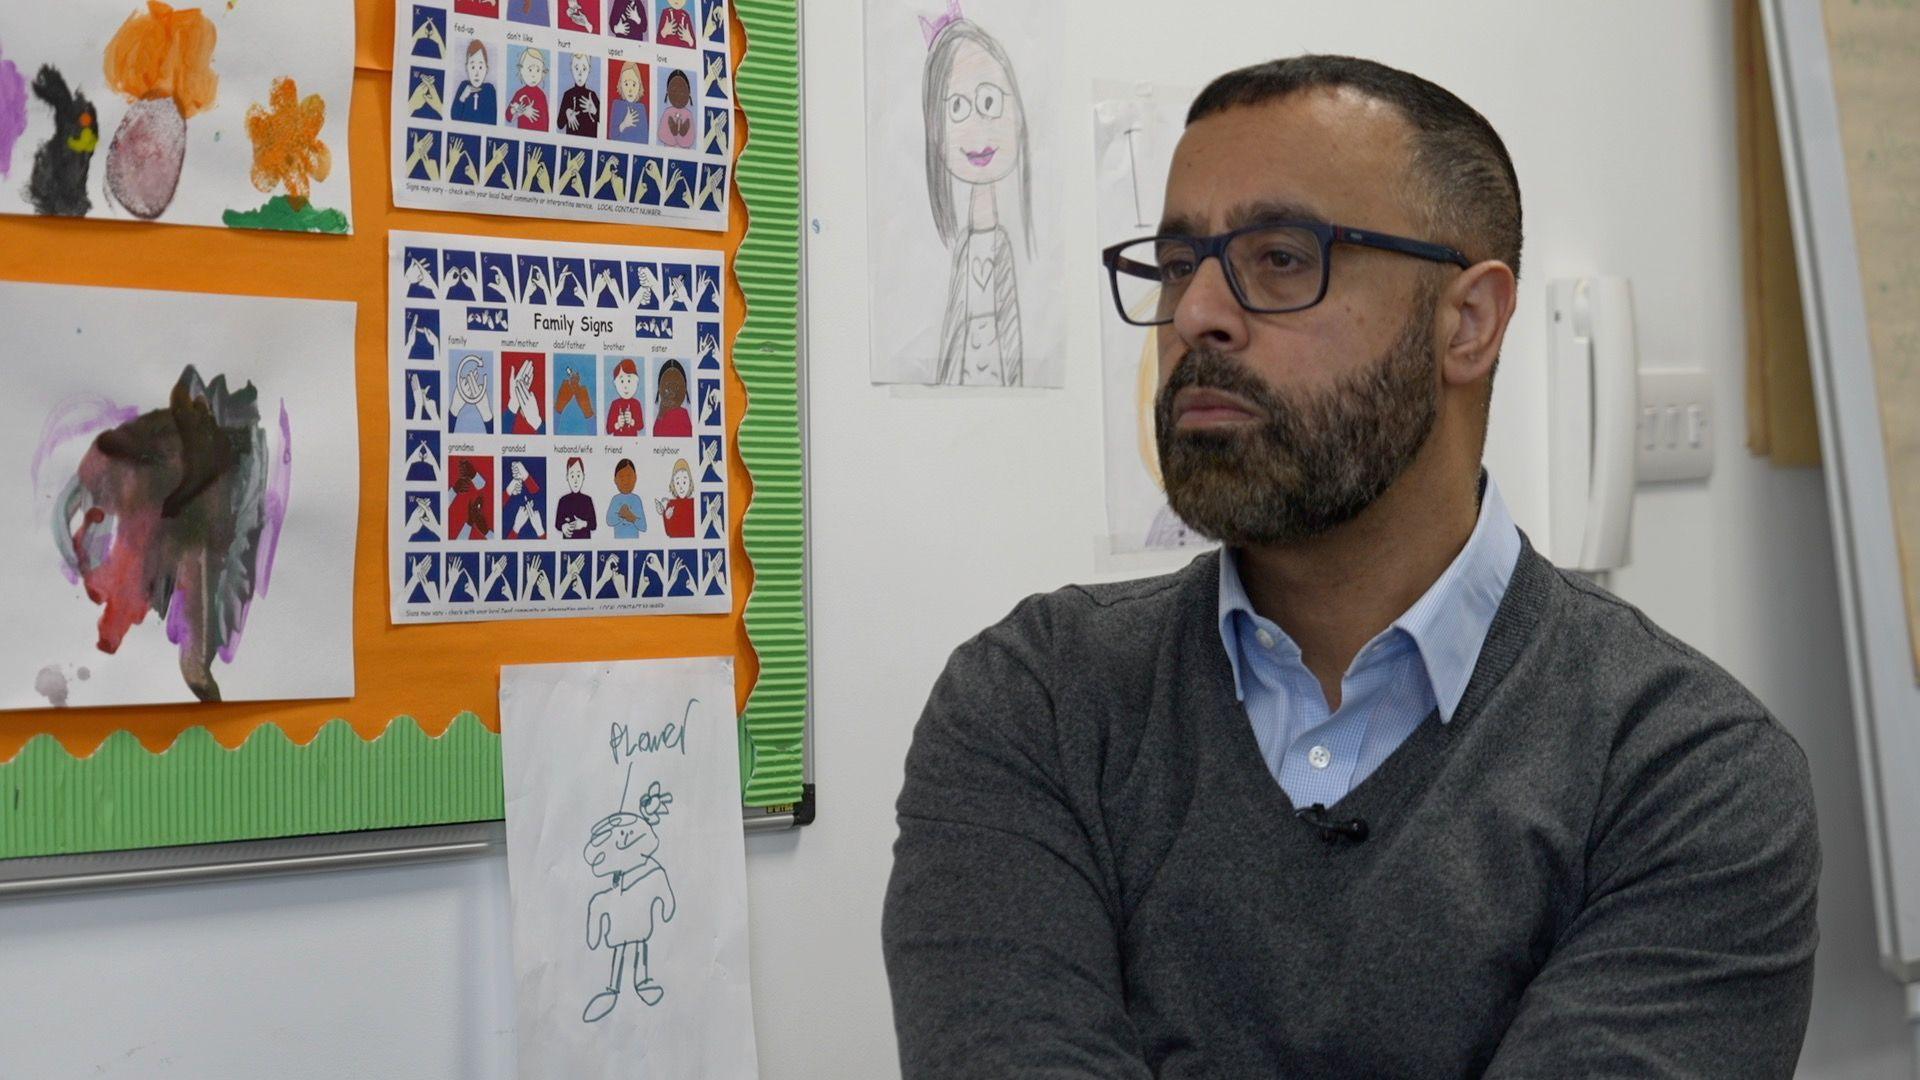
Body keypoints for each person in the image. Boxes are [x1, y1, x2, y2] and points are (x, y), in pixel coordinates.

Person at [883, 55, 1819, 1079]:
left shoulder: (1686, 771)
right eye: (1178, 261)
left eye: (1281, 257)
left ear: (1468, 323)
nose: (1196, 313)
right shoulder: (1037, 705)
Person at [921, 9, 1030, 387]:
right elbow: (954, 326)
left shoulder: (1002, 245)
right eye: (956, 107)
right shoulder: (964, 247)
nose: (975, 127)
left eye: (988, 102)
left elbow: (1011, 327)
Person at [451, 40, 497, 124]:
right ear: (466, 68)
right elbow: (454, 116)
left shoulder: (489, 89)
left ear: (486, 69)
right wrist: (462, 97)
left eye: (480, 67)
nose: (476, 73)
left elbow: (493, 119)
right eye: (472, 67)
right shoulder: (463, 86)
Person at [559, 52, 601, 138]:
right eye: (576, 68)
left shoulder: (592, 95)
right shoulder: (568, 95)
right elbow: (560, 124)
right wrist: (566, 112)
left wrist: (594, 111)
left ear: (589, 69)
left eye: (584, 69)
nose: (580, 74)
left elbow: (605, 123)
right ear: (571, 68)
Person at [506, 47, 549, 131]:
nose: (533, 75)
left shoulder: (541, 95)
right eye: (530, 69)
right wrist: (517, 109)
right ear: (521, 70)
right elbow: (508, 117)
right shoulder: (519, 93)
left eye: (537, 70)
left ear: (542, 72)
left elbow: (546, 121)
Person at [609, 61, 650, 145]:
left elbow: (645, 139)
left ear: (639, 86)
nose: (630, 90)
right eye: (626, 84)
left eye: (634, 85)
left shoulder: (641, 108)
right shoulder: (617, 105)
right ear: (621, 85)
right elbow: (611, 135)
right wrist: (624, 124)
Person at [556, 456, 597, 539]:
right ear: (567, 477)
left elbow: (594, 525)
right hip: (567, 546)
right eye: (572, 476)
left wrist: (583, 524)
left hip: (585, 544)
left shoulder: (587, 500)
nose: (575, 481)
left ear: (583, 477)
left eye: (578, 476)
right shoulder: (563, 501)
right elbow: (557, 524)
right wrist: (563, 526)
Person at [606, 458, 647, 538]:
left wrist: (632, 517)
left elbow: (643, 527)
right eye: (621, 477)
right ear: (615, 480)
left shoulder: (636, 499)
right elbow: (609, 521)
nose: (625, 481)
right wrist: (621, 515)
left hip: (634, 542)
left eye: (629, 477)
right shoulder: (615, 499)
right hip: (618, 542)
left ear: (635, 478)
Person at [655, 458, 694, 539]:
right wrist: (666, 516)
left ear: (690, 482)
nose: (681, 487)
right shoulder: (671, 504)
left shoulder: (693, 503)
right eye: (677, 482)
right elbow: (669, 532)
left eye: (684, 482)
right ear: (673, 484)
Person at [605, 358, 646, 435]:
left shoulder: (636, 403)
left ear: (636, 381)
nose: (625, 386)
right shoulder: (615, 404)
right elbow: (608, 429)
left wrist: (632, 421)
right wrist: (617, 425)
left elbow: (641, 426)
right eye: (622, 381)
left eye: (629, 381)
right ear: (616, 384)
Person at [652, 359, 692, 437]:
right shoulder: (661, 414)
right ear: (660, 389)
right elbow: (656, 435)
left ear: (684, 390)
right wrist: (661, 414)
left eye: (676, 386)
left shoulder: (684, 414)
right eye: (667, 386)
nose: (672, 393)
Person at [657, 70, 696, 149]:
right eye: (674, 91)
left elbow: (690, 140)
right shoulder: (667, 112)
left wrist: (683, 133)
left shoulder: (688, 114)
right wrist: (672, 132)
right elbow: (661, 135)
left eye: (682, 92)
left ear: (688, 93)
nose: (678, 95)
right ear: (668, 93)